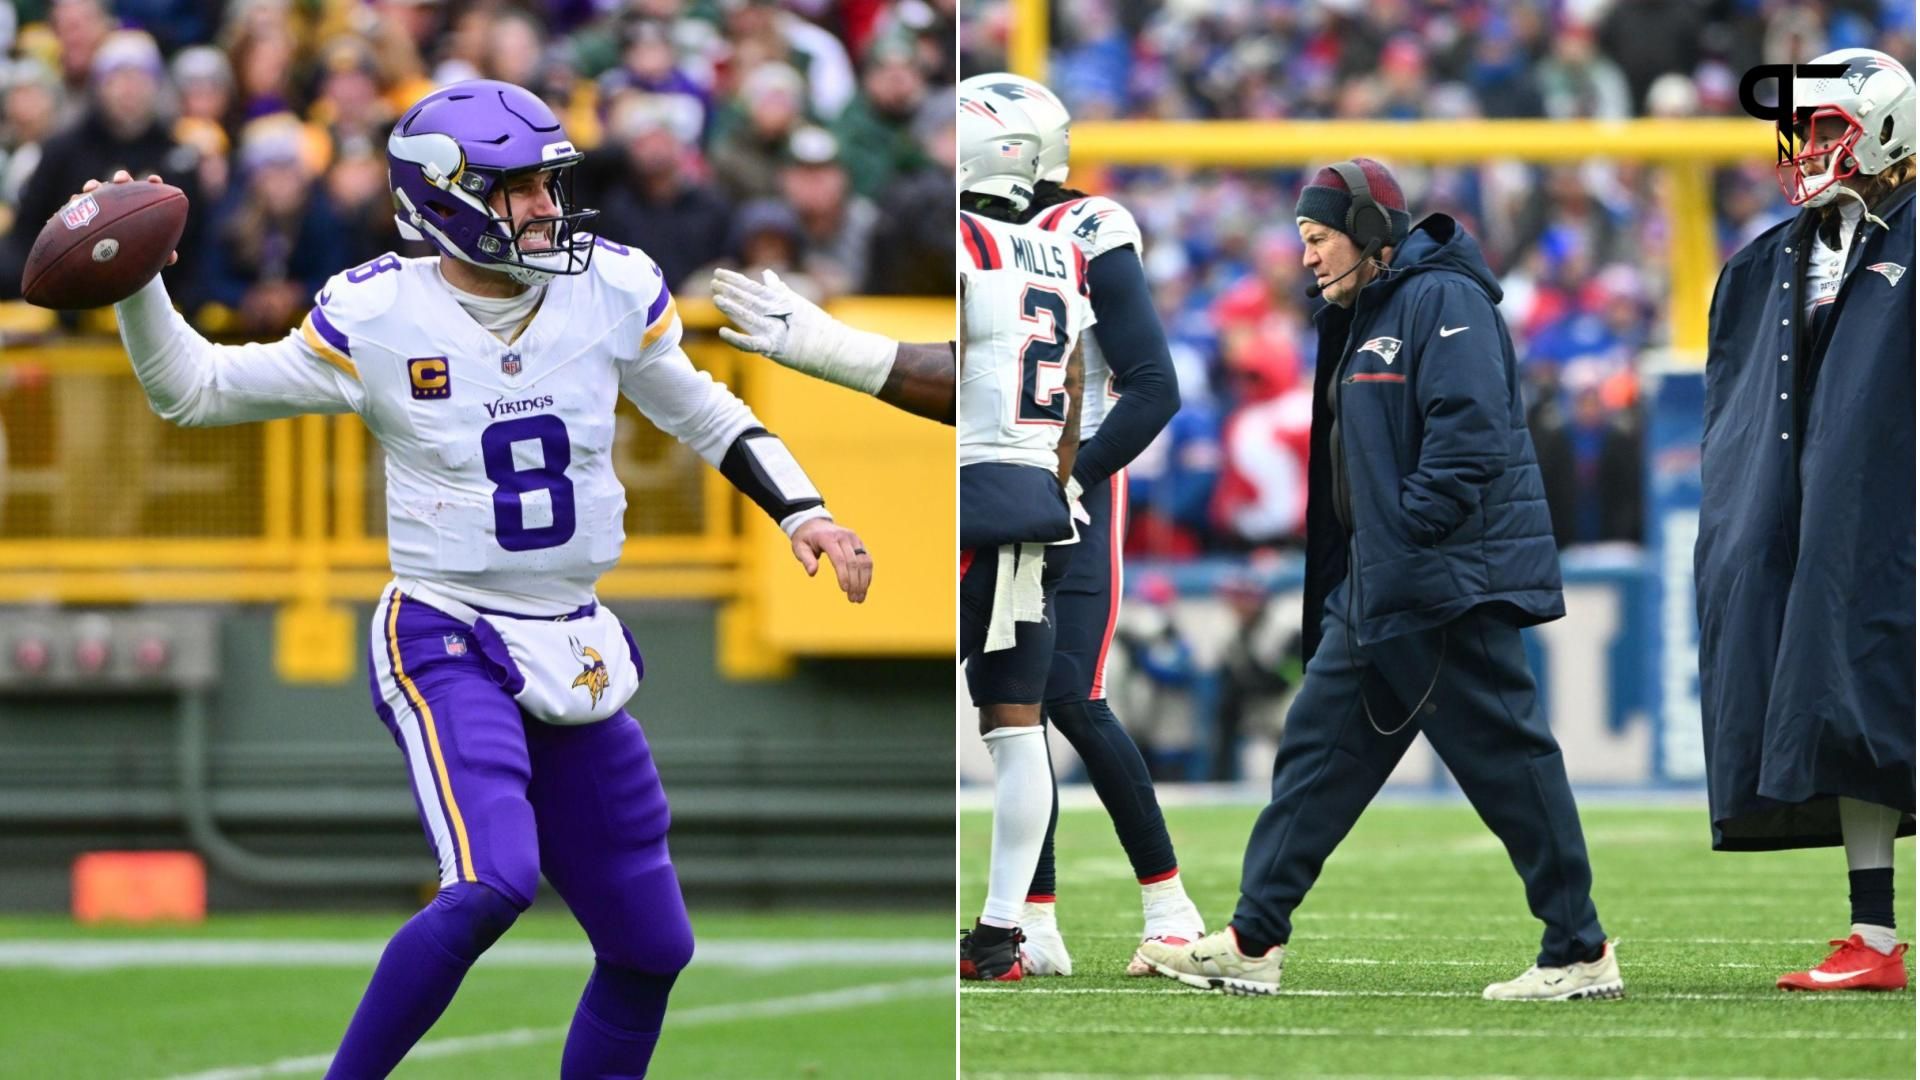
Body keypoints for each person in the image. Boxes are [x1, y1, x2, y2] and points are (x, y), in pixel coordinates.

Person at [96, 80, 872, 1076]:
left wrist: (804, 509)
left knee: (650, 948)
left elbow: (706, 412)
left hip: (575, 634)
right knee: (490, 882)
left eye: (552, 185)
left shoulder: (609, 288)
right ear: (449, 197)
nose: (550, 209)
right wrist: (136, 286)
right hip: (446, 626)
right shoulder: (378, 312)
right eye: (521, 190)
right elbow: (193, 391)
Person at [1136, 158, 1621, 1001]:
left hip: (1442, 580)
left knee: (1508, 763)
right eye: (1303, 241)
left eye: (1319, 238)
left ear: (1368, 233)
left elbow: (1469, 435)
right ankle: (1253, 939)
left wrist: (1408, 533)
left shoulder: (1445, 298)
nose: (1309, 258)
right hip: (1382, 581)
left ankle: (1579, 950)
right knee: (1317, 754)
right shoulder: (1373, 309)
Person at [957, 72, 1197, 978]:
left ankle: (1169, 905)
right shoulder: (977, 236)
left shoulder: (1088, 227)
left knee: (1068, 695)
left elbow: (1153, 385)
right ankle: (1030, 922)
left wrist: (1072, 478)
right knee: (1012, 701)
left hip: (1071, 475)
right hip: (994, 477)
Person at [1696, 47, 1915, 993]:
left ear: (1883, 131)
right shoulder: (1767, 264)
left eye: (1825, 126)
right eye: (1802, 130)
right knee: (1847, 705)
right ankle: (1873, 937)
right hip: (1839, 529)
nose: (1806, 147)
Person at [954, 91, 1092, 983]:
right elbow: (1076, 384)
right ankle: (1003, 932)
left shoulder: (965, 245)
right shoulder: (1065, 251)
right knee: (1017, 725)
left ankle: (1000, 931)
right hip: (1033, 496)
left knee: (1002, 723)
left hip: (968, 491)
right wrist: (1052, 478)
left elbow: (939, 365)